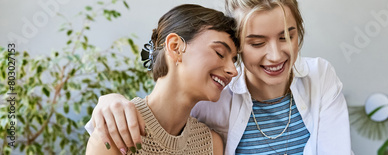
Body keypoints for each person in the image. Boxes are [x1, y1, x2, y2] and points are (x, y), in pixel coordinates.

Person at [86, 0, 352, 154]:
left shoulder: (209, 143)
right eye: (257, 43)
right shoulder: (216, 94)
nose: (275, 55)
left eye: (287, 36)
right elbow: (165, 97)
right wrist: (110, 100)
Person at [85, 4, 239, 155]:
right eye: (219, 53)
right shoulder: (115, 131)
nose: (233, 71)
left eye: (234, 60)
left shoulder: (211, 145)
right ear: (175, 47)